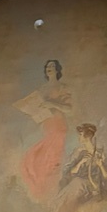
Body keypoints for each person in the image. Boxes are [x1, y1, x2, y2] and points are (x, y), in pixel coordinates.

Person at [14, 59, 72, 204]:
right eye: (47, 66)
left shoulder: (62, 87)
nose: (49, 68)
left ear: (58, 70)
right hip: (45, 125)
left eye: (52, 66)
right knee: (33, 160)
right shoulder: (41, 89)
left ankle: (50, 194)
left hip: (58, 126)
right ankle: (41, 194)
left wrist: (51, 103)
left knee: (51, 161)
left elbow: (69, 109)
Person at [51, 123, 107, 212]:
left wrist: (100, 165)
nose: (79, 137)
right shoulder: (79, 152)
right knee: (76, 183)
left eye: (80, 134)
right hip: (78, 182)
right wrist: (80, 162)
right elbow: (70, 172)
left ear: (87, 136)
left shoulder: (99, 154)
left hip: (92, 185)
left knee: (77, 183)